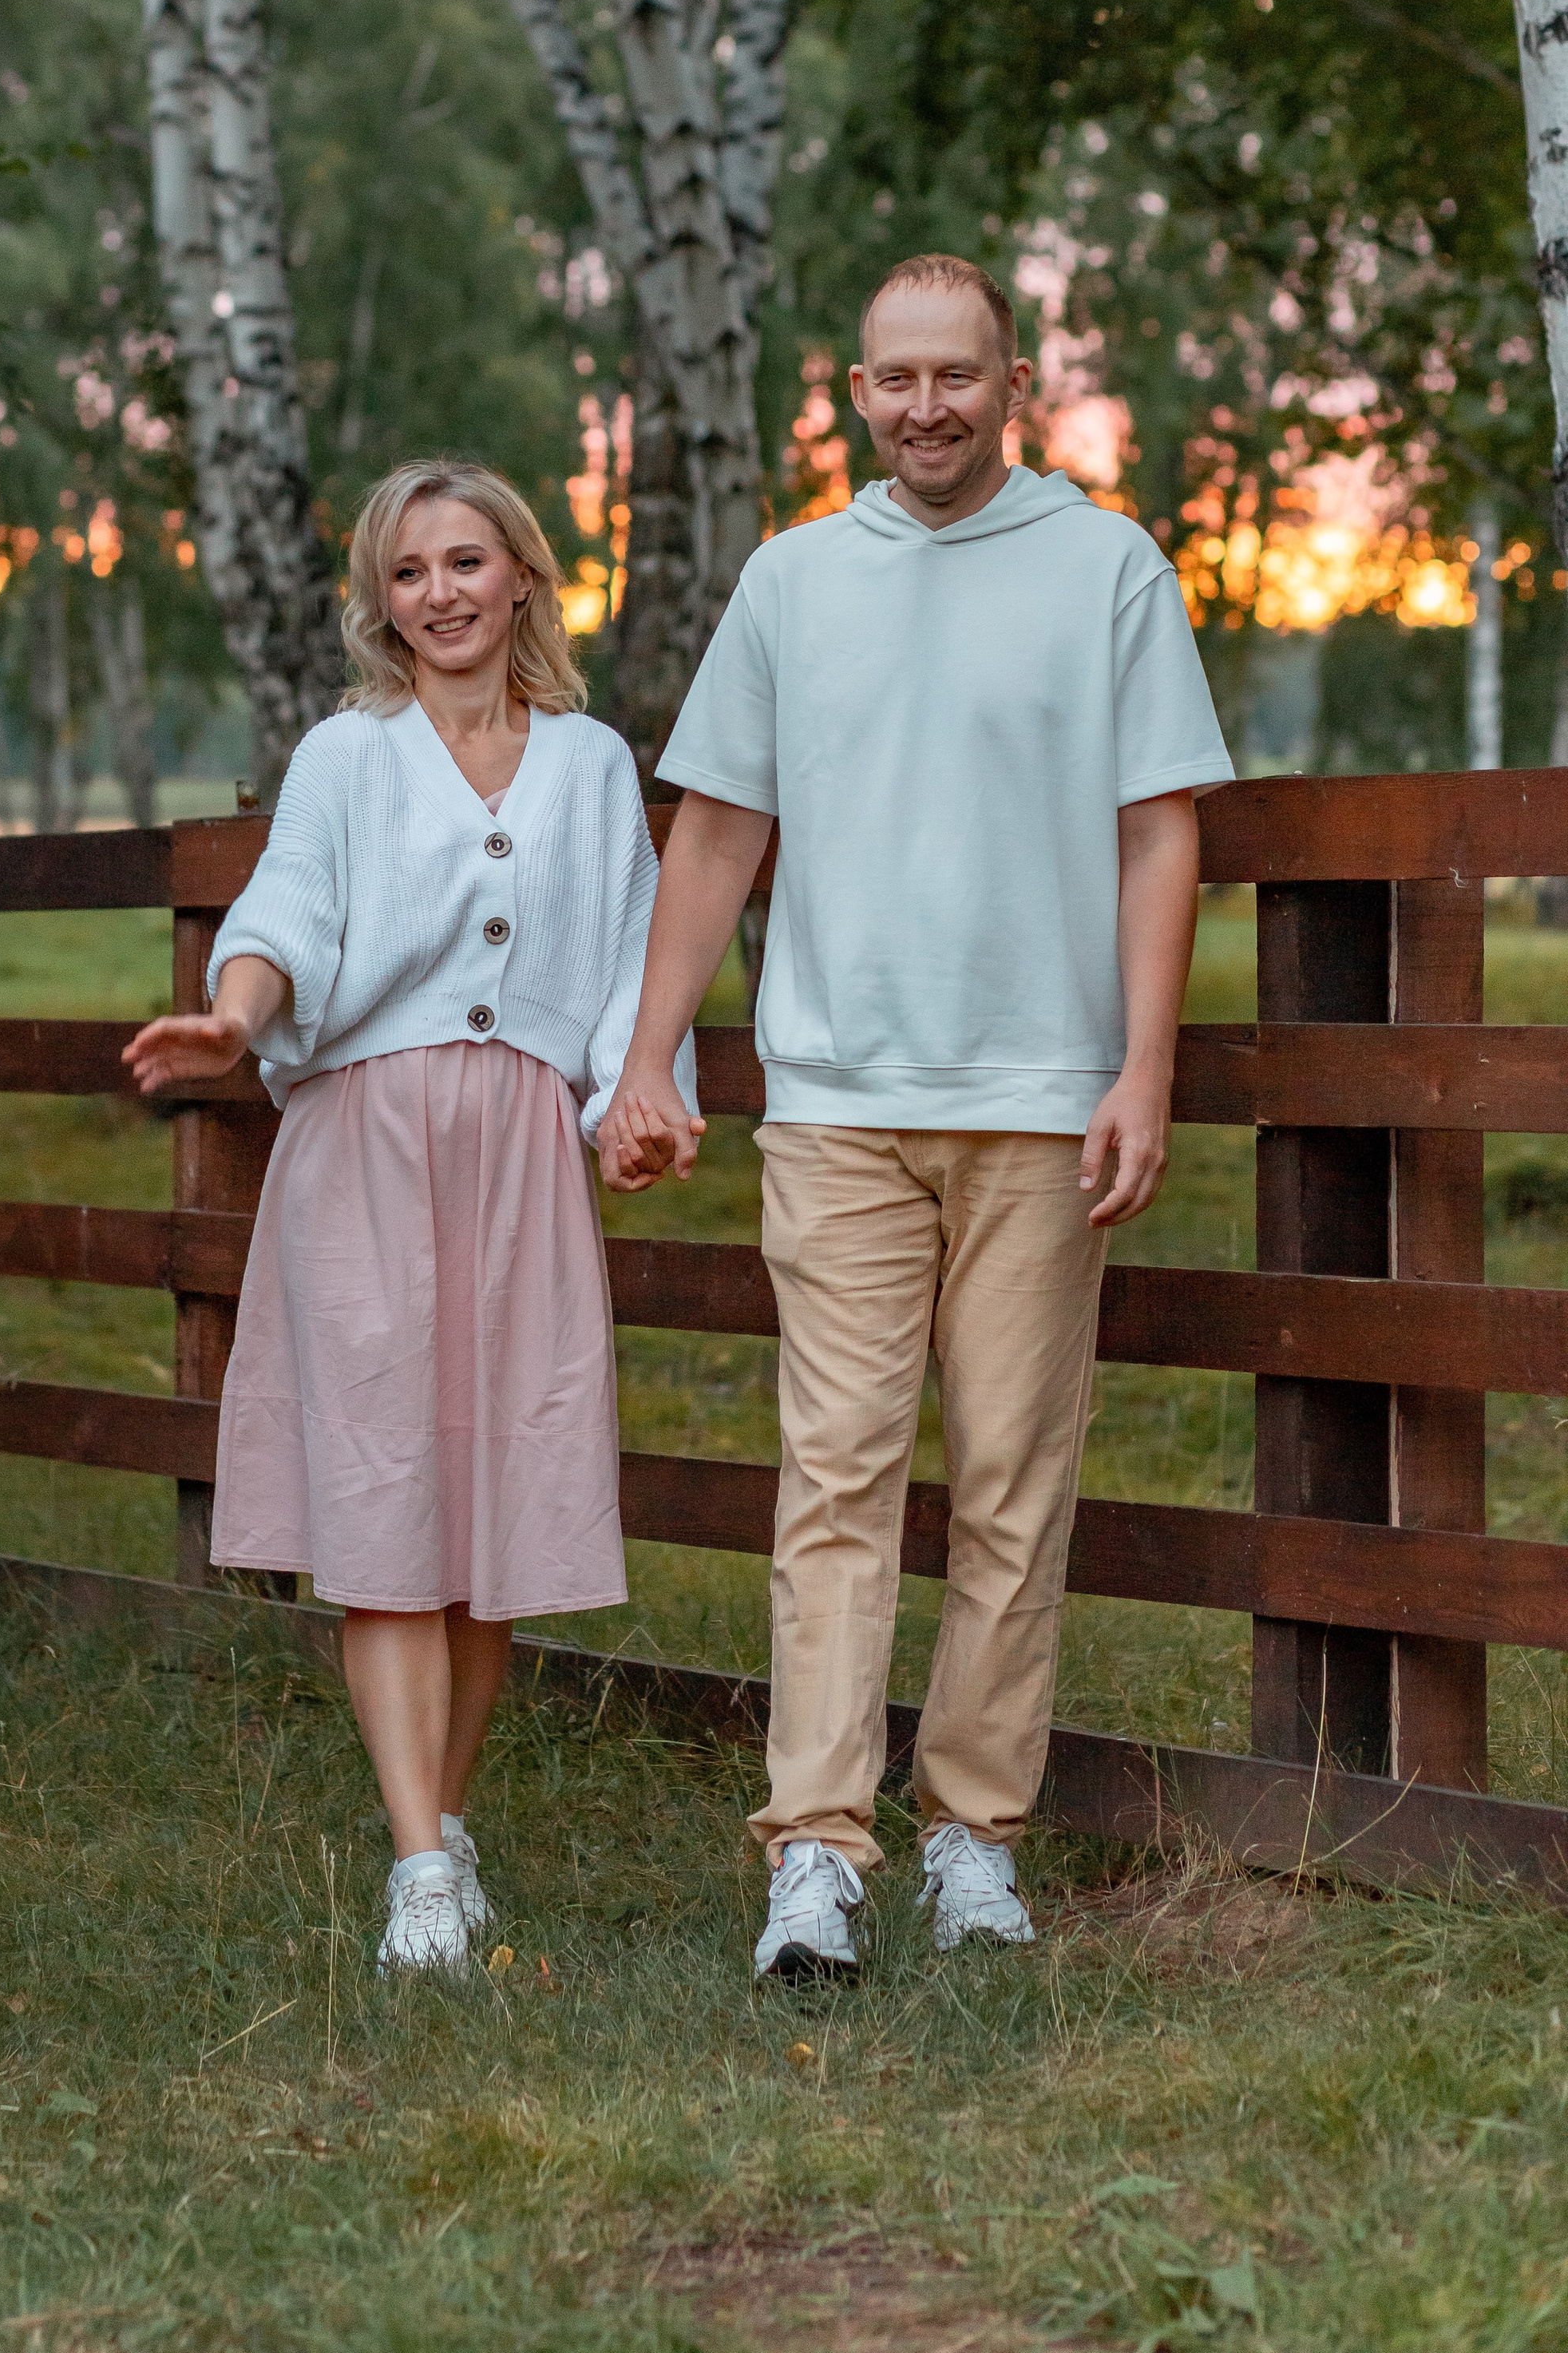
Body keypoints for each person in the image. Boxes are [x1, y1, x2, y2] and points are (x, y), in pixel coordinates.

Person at [600, 255, 1233, 1978]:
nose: (926, 407)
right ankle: (813, 1849)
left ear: (1010, 382)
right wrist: (650, 1055)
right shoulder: (793, 581)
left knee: (1015, 1483)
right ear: (855, 392)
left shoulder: (1103, 565)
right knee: (833, 1477)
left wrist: (1143, 1066)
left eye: (957, 375)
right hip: (830, 1098)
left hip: (1039, 1098)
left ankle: (972, 1835)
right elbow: (716, 830)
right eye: (895, 379)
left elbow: (1156, 829)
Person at [125, 460, 691, 1979]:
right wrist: (234, 1021)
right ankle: (421, 1867)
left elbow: (638, 955)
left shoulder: (588, 764)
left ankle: (443, 1820)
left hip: (522, 1153)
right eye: (408, 571)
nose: (440, 593)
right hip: (365, 1147)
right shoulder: (347, 755)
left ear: (521, 577)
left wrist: (640, 1100)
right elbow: (286, 908)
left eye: (466, 561)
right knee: (384, 1496)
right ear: (381, 601)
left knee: (493, 1505)